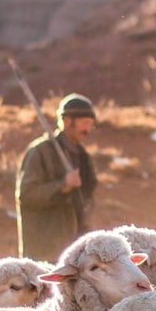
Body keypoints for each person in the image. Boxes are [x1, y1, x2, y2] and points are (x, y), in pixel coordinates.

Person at [15, 93, 99, 260]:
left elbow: (88, 197)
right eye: (84, 123)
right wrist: (63, 185)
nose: (88, 130)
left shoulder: (83, 157)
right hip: (44, 250)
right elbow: (26, 195)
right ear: (67, 121)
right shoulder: (40, 152)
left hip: (76, 250)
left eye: (90, 125)